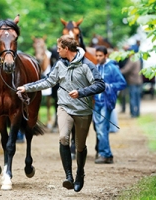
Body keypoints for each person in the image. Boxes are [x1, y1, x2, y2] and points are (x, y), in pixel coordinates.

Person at [17, 35, 105, 192]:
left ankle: (80, 173)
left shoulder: (86, 65)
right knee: (63, 137)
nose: (57, 51)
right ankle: (69, 176)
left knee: (79, 146)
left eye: (59, 48)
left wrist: (81, 92)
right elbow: (48, 81)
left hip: (83, 110)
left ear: (66, 49)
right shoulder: (59, 64)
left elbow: (99, 85)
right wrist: (27, 87)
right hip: (64, 107)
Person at [94, 46, 127, 164]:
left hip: (105, 102)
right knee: (100, 129)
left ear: (106, 56)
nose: (98, 58)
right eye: (96, 56)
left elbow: (122, 83)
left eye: (100, 56)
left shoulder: (112, 68)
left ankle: (105, 154)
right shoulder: (95, 68)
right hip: (95, 102)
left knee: (102, 129)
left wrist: (109, 86)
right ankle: (107, 155)